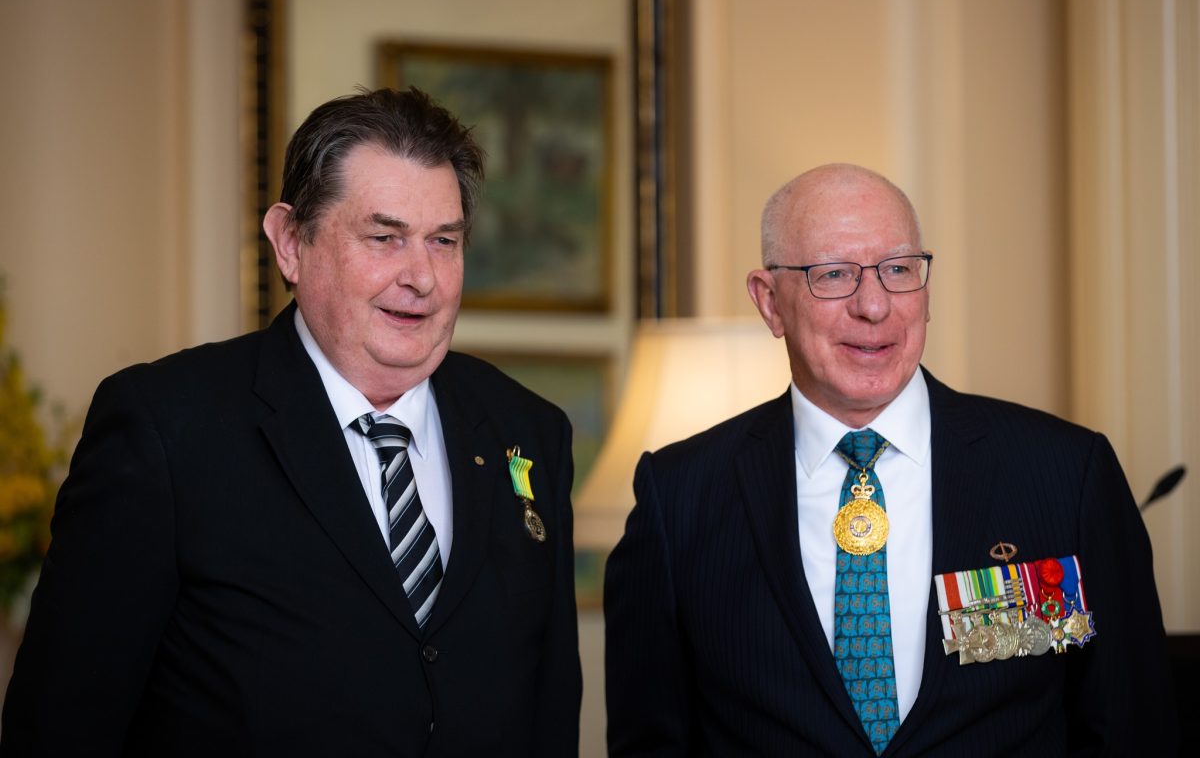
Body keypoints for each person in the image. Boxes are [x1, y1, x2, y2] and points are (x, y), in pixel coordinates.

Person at [2, 87, 581, 757]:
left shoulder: (528, 432)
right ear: (290, 243)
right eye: (384, 237)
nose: (420, 277)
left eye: (443, 242)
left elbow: (548, 713)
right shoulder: (167, 429)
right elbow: (58, 730)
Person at [604, 163, 1176, 756]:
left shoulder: (1064, 474)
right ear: (770, 302)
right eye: (833, 275)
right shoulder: (680, 497)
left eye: (898, 270)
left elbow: (1133, 728)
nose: (874, 306)